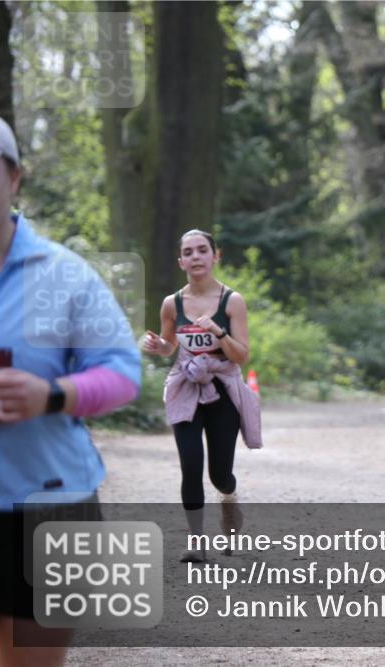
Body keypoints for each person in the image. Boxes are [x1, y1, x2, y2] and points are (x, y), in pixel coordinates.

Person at [0, 113, 141, 665]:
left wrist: (49, 394)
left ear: (15, 178)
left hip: (48, 503)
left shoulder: (65, 275)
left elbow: (123, 372)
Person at [142, 229, 261, 563]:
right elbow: (169, 345)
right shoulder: (173, 303)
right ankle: (196, 542)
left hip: (223, 390)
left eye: (202, 250)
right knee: (191, 465)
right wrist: (157, 346)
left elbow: (241, 356)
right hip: (186, 388)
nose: (196, 257)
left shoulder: (231, 301)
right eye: (189, 252)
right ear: (181, 261)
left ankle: (230, 500)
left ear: (215, 256)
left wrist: (217, 331)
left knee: (219, 474)